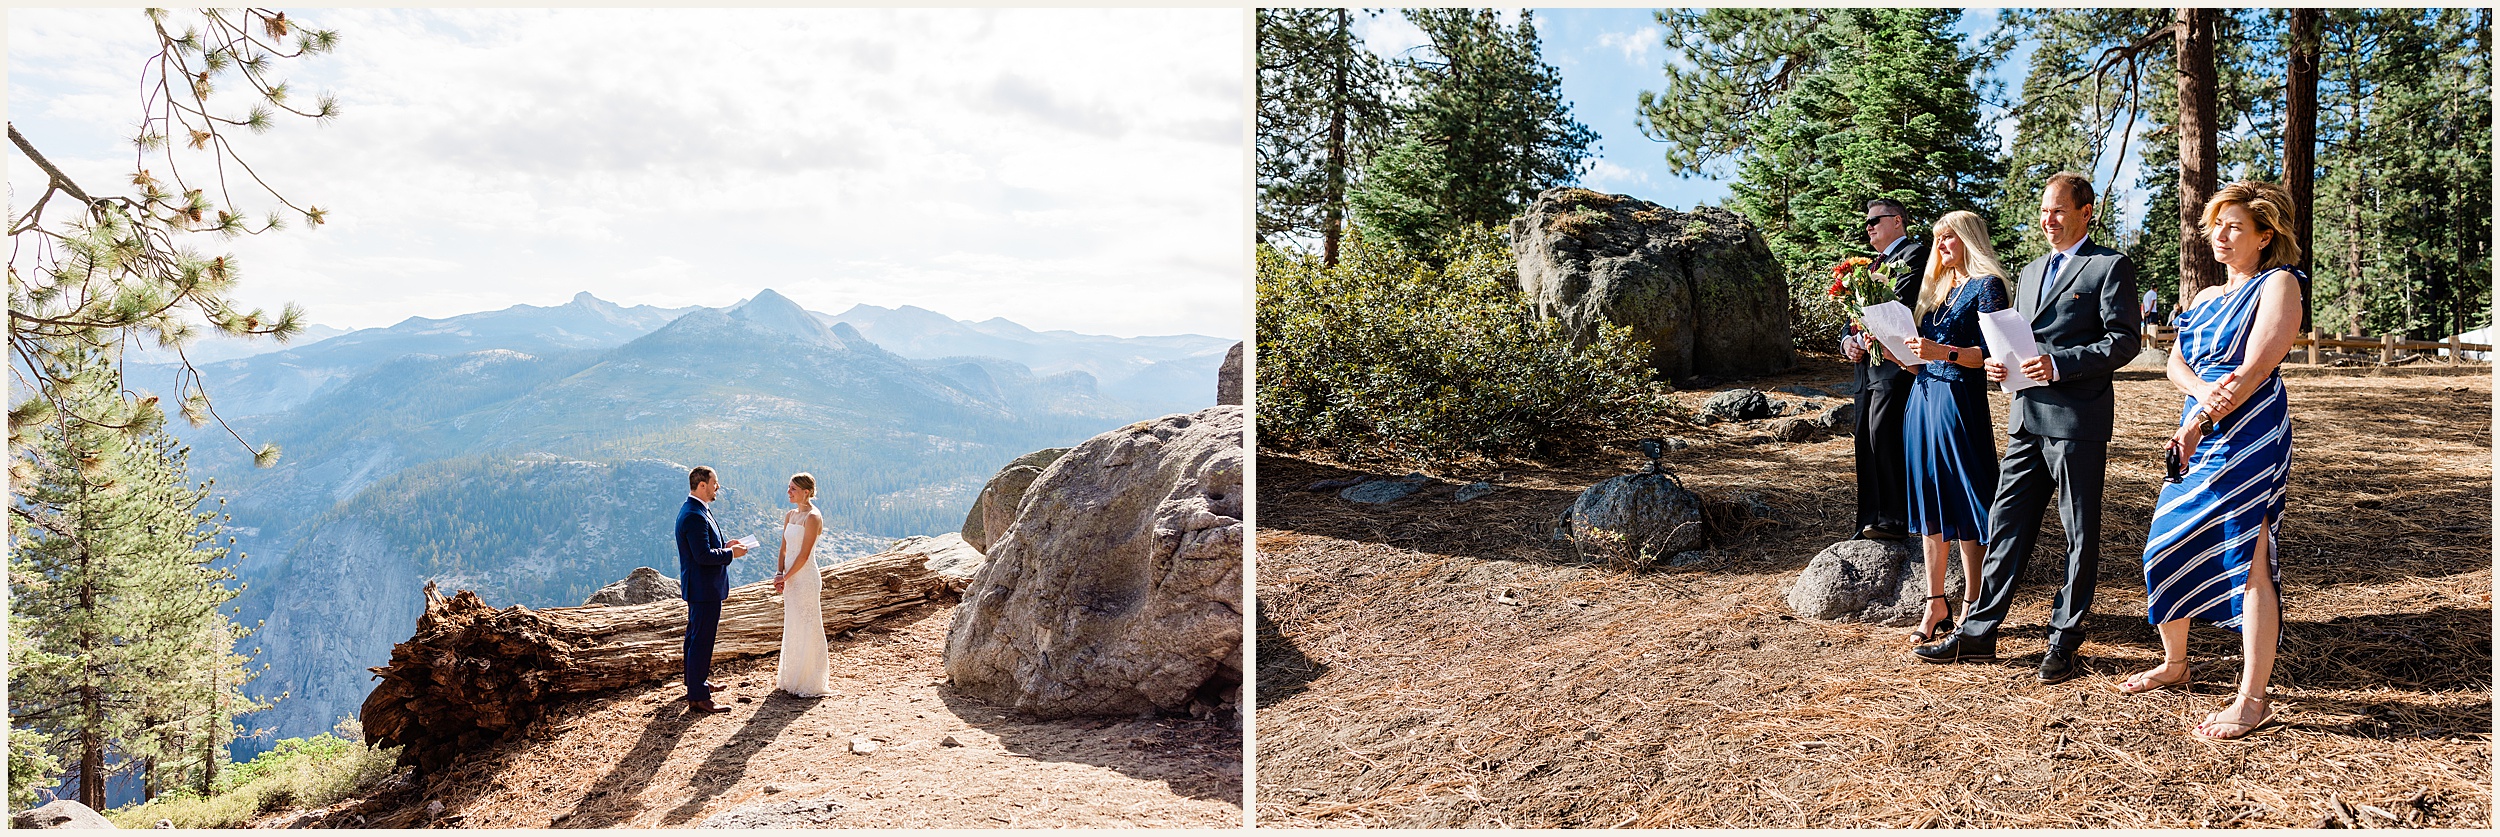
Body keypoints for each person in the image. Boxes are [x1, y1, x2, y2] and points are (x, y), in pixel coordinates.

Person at [1915, 172, 2141, 683]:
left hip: (2076, 420)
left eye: (2059, 210)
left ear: (2086, 212)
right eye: (2043, 211)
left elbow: (2123, 341)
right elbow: (2016, 339)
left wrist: (2058, 364)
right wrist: (2000, 366)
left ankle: (2064, 638)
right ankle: (1978, 633)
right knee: (2005, 525)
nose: (2048, 219)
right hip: (2024, 418)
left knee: (2078, 532)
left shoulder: (2109, 266)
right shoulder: (2033, 270)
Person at [2117, 181, 2304, 741]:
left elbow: (2255, 368)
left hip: (2249, 433)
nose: (2220, 236)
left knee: (2247, 553)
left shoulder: (2280, 284)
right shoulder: (2201, 297)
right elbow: (2175, 361)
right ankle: (2177, 665)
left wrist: (2200, 418)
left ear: (2265, 235)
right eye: (2216, 225)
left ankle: (2252, 698)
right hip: (2194, 427)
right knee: (2163, 542)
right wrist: (2193, 408)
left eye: (2235, 227)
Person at [1883, 211, 2008, 642]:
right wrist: (1898, 352)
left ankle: (1974, 602)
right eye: (1937, 238)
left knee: (1969, 501)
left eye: (1949, 237)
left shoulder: (1986, 286)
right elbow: (1920, 361)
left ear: (1969, 239)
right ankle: (1935, 602)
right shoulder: (1935, 292)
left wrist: (1943, 352)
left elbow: (1993, 354)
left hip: (1959, 402)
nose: (1941, 245)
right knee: (1929, 498)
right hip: (1923, 401)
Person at [1842, 198, 1930, 541]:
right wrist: (1847, 342)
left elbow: (1898, 306)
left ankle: (1895, 520)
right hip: (1865, 370)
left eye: (1875, 220)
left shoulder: (1914, 256)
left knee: (1886, 437)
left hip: (1894, 365)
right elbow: (1854, 312)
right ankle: (1869, 519)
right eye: (1867, 222)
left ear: (1897, 221)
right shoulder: (1865, 267)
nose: (1869, 227)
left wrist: (1864, 338)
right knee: (1865, 441)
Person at [676, 465, 748, 713]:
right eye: (715, 482)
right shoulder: (695, 515)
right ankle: (698, 696)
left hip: (700, 587)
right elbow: (703, 556)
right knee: (701, 640)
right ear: (702, 485)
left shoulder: (696, 509)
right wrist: (731, 554)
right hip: (704, 589)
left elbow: (705, 547)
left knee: (695, 638)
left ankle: (695, 683)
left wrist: (725, 544)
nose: (718, 486)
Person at [773, 472, 831, 698]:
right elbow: (784, 549)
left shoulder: (813, 517)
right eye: (788, 487)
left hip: (805, 578)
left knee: (809, 623)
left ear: (806, 492)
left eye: (793, 489)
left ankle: (811, 679)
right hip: (789, 578)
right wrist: (779, 572)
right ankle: (792, 677)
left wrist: (785, 578)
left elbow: (804, 555)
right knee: (794, 623)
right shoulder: (790, 515)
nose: (788, 492)